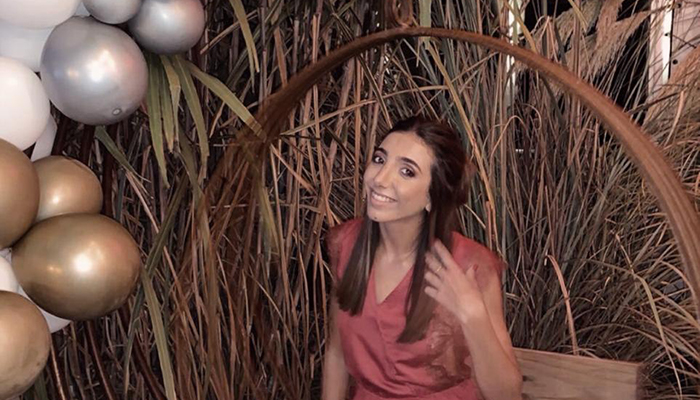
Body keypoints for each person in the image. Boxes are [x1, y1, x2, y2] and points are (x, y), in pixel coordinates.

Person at [322, 116, 522, 400]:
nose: (379, 179)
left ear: (432, 196)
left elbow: (507, 395)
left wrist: (473, 315)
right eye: (380, 159)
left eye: (406, 171)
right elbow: (337, 353)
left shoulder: (470, 265)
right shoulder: (346, 243)